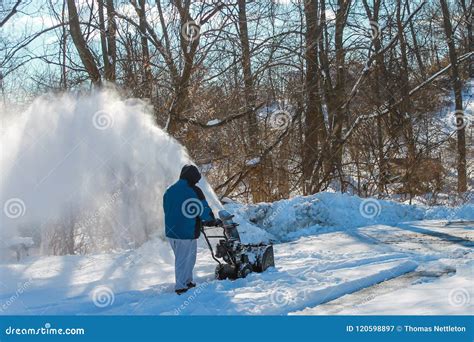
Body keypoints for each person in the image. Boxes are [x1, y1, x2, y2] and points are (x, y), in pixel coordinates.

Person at [163, 164, 221, 295]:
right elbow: (203, 208)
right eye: (196, 178)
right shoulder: (194, 191)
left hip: (172, 232)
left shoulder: (169, 190)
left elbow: (166, 209)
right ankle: (180, 286)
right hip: (185, 232)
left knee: (188, 258)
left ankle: (187, 281)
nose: (197, 181)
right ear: (192, 177)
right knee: (183, 259)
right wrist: (210, 220)